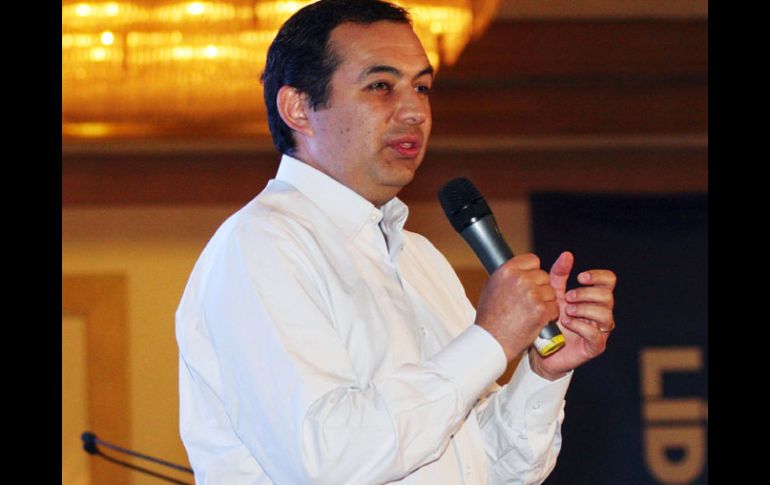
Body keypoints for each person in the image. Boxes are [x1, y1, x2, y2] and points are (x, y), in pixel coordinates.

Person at [175, 0, 617, 483]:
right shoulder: (260, 245)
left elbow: (489, 468)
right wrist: (490, 339)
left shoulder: (420, 258)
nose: (414, 112)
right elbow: (328, 463)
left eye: (422, 88)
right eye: (381, 86)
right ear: (298, 108)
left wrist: (542, 373)